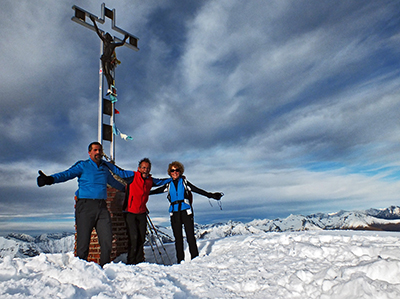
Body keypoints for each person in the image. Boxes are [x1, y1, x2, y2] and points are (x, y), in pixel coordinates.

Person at [37, 142, 134, 267]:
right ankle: (81, 270)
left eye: (100, 150)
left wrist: (130, 190)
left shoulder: (105, 169)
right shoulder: (83, 165)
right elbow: (66, 174)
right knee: (83, 243)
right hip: (85, 206)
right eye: (95, 150)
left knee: (107, 240)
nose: (98, 152)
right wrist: (50, 179)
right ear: (89, 152)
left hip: (102, 207)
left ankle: (105, 269)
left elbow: (114, 183)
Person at [150, 161, 223, 264]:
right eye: (172, 170)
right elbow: (155, 191)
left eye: (177, 170)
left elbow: (197, 190)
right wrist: (142, 193)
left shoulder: (184, 183)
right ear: (169, 172)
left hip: (186, 212)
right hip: (174, 213)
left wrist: (211, 195)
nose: (175, 172)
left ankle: (195, 259)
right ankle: (180, 261)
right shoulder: (168, 185)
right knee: (178, 238)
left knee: (190, 236)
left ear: (180, 171)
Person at [122, 158, 172, 265]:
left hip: (142, 213)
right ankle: (131, 262)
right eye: (143, 167)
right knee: (133, 238)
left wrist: (173, 178)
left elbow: (161, 181)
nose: (146, 170)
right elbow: (118, 172)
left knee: (141, 238)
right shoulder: (132, 176)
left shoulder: (150, 180)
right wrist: (105, 164)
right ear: (139, 168)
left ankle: (140, 261)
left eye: (148, 168)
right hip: (130, 212)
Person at [90, 15, 128, 94]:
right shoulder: (107, 43)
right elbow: (98, 32)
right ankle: (110, 86)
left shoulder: (110, 44)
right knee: (105, 73)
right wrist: (93, 21)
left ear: (108, 38)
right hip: (104, 59)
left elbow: (121, 43)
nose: (104, 36)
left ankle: (110, 86)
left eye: (106, 36)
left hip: (106, 59)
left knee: (107, 73)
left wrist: (125, 38)